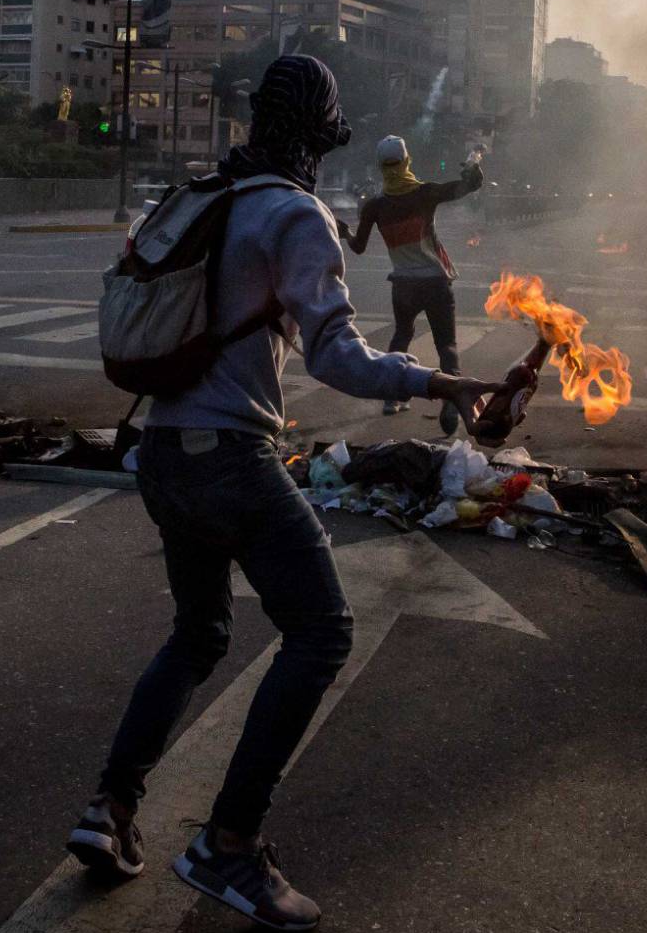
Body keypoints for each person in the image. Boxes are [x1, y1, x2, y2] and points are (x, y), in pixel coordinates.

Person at [67, 55, 505, 931]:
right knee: (322, 630)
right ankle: (228, 846)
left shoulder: (201, 194)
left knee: (198, 632)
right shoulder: (292, 210)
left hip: (158, 448)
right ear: (315, 137)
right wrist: (438, 385)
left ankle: (110, 810)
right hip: (229, 458)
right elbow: (339, 356)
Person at [343, 135, 485, 432]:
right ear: (407, 162)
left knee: (402, 335)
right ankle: (452, 403)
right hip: (435, 283)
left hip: (404, 286)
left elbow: (357, 247)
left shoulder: (375, 208)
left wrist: (344, 232)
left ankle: (391, 398)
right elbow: (469, 186)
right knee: (446, 344)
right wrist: (473, 164)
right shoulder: (425, 194)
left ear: (382, 167)